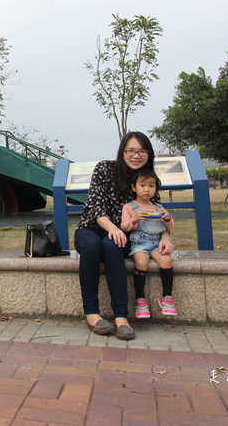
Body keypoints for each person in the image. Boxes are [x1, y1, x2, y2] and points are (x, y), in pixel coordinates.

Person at [74, 131, 156, 341]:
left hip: (125, 233)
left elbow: (156, 213)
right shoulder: (105, 168)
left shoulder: (147, 179)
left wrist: (165, 239)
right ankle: (92, 314)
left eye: (141, 151)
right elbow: (94, 205)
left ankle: (121, 318)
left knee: (111, 247)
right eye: (130, 150)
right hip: (93, 227)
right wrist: (113, 227)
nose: (136, 155)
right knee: (92, 246)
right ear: (122, 152)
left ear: (148, 154)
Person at [120, 167, 177, 318]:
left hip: (156, 243)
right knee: (141, 262)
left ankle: (167, 297)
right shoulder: (129, 207)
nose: (147, 190)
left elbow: (170, 228)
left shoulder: (158, 207)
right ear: (134, 187)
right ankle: (140, 298)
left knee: (166, 260)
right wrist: (134, 219)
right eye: (143, 185)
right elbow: (124, 227)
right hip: (139, 243)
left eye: (151, 186)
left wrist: (168, 219)